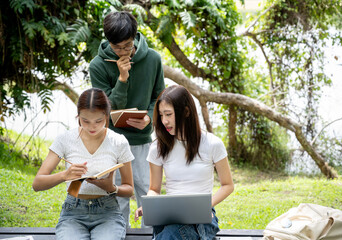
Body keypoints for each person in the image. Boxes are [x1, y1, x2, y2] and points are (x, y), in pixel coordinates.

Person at [89, 11, 165, 227]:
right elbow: (104, 108)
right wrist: (122, 79)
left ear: (135, 37)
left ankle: (150, 233)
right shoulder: (98, 65)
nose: (123, 52)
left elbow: (159, 97)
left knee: (146, 188)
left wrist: (150, 118)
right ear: (108, 41)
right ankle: (118, 232)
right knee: (117, 191)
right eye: (117, 47)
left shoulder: (153, 59)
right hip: (112, 140)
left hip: (141, 140)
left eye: (128, 46)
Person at [32, 88, 134, 240]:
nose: (92, 127)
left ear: (106, 116)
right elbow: (37, 184)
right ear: (78, 115)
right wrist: (64, 175)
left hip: (108, 212)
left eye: (98, 121)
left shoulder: (118, 141)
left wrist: (112, 188)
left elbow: (129, 189)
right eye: (85, 120)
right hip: (73, 212)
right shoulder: (65, 139)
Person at [134, 85, 234, 239]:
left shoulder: (212, 143)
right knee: (169, 231)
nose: (164, 121)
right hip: (170, 215)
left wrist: (207, 206)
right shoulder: (158, 147)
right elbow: (154, 188)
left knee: (169, 234)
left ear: (186, 112)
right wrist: (147, 205)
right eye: (161, 115)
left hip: (203, 218)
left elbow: (228, 185)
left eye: (168, 114)